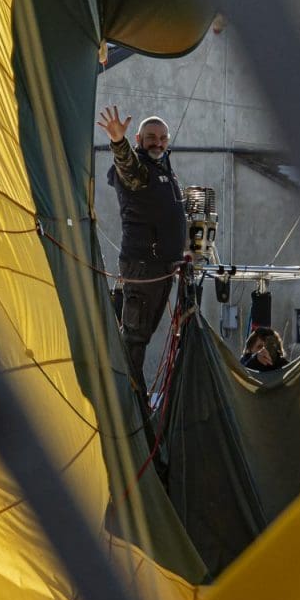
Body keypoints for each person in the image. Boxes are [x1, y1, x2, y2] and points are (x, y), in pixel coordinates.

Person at [100, 105, 184, 393]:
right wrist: (118, 141)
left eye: (162, 138)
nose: (157, 143)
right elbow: (127, 165)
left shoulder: (164, 170)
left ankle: (135, 398)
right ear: (138, 139)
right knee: (134, 339)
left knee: (142, 338)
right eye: (151, 138)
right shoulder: (138, 170)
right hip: (143, 268)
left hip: (162, 268)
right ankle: (127, 400)